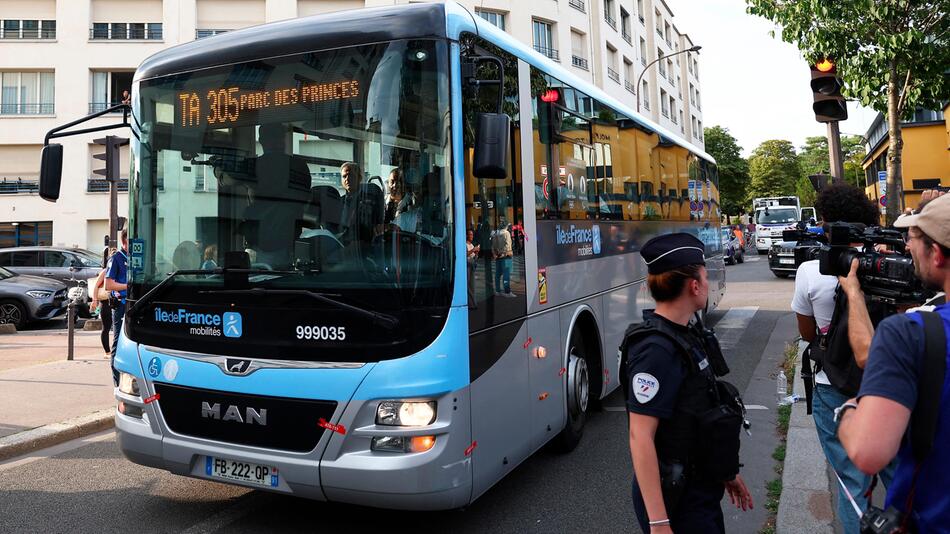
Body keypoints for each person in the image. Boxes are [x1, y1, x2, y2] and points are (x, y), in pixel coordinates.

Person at [625, 233, 753, 533]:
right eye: (706, 277)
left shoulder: (687, 335)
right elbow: (640, 437)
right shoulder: (655, 350)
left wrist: (725, 471)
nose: (708, 284)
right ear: (694, 286)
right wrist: (658, 522)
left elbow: (700, 414)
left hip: (699, 487)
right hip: (677, 497)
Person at [837, 192, 950, 531]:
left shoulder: (909, 334)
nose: (908, 250)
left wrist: (850, 410)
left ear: (939, 255)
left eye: (914, 240)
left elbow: (867, 453)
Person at [790, 184, 888, 534]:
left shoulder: (810, 272)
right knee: (903, 477)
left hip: (834, 385)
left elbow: (806, 333)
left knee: (852, 485)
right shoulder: (888, 264)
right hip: (888, 387)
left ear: (827, 222)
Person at [104, 229, 129, 386]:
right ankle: (116, 384)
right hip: (120, 305)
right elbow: (108, 284)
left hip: (132, 304)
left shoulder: (135, 258)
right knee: (118, 341)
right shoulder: (116, 258)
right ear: (124, 242)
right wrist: (129, 286)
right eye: (130, 242)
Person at [339, 162, 383, 243]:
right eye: (344, 176)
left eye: (351, 175)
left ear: (359, 178)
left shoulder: (371, 200)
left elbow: (378, 223)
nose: (347, 179)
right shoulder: (339, 201)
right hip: (343, 243)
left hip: (365, 244)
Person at [89, 246, 116, 355]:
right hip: (105, 302)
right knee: (106, 327)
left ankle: (114, 350)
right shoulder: (105, 271)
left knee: (116, 328)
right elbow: (96, 286)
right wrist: (94, 300)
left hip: (116, 301)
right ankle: (107, 352)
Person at [491, 217, 514, 297]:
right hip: (506, 256)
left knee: (498, 274)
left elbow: (493, 246)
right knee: (506, 274)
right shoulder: (506, 233)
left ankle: (497, 290)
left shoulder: (496, 233)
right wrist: (505, 253)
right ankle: (507, 291)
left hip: (498, 256)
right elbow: (508, 246)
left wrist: (495, 254)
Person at [466, 229, 479, 308]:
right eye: (470, 234)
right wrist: (473, 250)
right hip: (467, 266)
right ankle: (473, 303)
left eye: (472, 235)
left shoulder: (472, 245)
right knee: (468, 285)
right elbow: (465, 254)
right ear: (467, 235)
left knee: (472, 285)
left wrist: (477, 253)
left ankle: (472, 303)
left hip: (472, 266)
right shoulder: (465, 244)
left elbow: (475, 258)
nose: (471, 236)